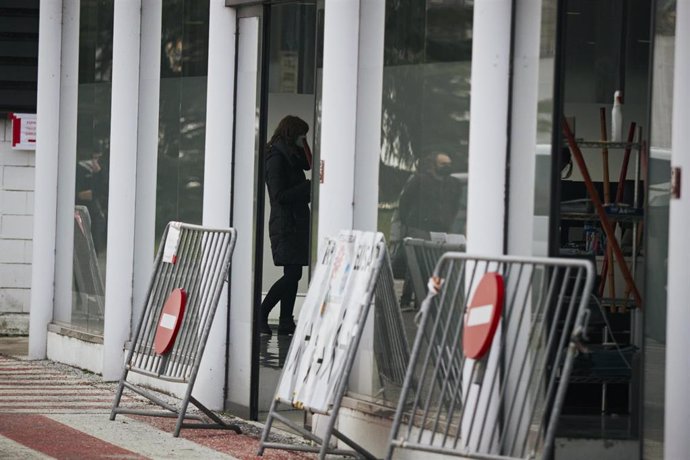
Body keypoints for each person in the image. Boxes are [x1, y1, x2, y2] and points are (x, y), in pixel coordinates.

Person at [259, 116, 312, 335]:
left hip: (295, 223)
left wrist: (305, 145)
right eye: (302, 135)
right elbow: (278, 195)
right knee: (292, 275)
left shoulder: (289, 155)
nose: (304, 139)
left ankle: (285, 321)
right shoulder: (275, 158)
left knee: (295, 273)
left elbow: (309, 164)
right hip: (286, 225)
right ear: (292, 134)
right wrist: (307, 188)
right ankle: (262, 313)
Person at [396, 152, 463, 307]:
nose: (447, 167)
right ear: (434, 165)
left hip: (440, 229)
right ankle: (409, 299)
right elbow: (404, 201)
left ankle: (432, 297)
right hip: (418, 228)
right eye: (443, 164)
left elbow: (454, 205)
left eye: (449, 164)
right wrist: (408, 224)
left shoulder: (453, 184)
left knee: (437, 264)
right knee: (416, 264)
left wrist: (449, 223)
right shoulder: (420, 180)